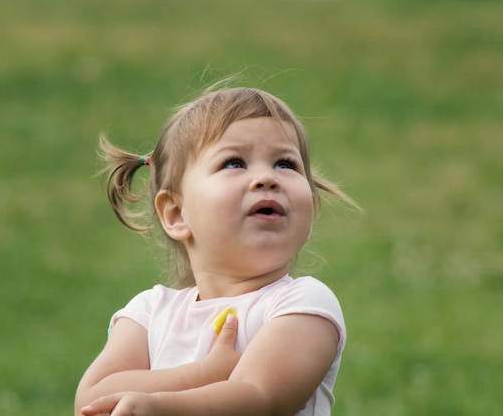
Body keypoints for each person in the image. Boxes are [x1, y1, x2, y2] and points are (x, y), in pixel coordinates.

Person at [74, 84, 359, 416]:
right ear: (177, 214)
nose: (266, 178)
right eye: (234, 163)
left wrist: (162, 406)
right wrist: (204, 372)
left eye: (285, 164)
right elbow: (92, 398)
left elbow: (259, 397)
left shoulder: (303, 304)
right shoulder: (150, 313)